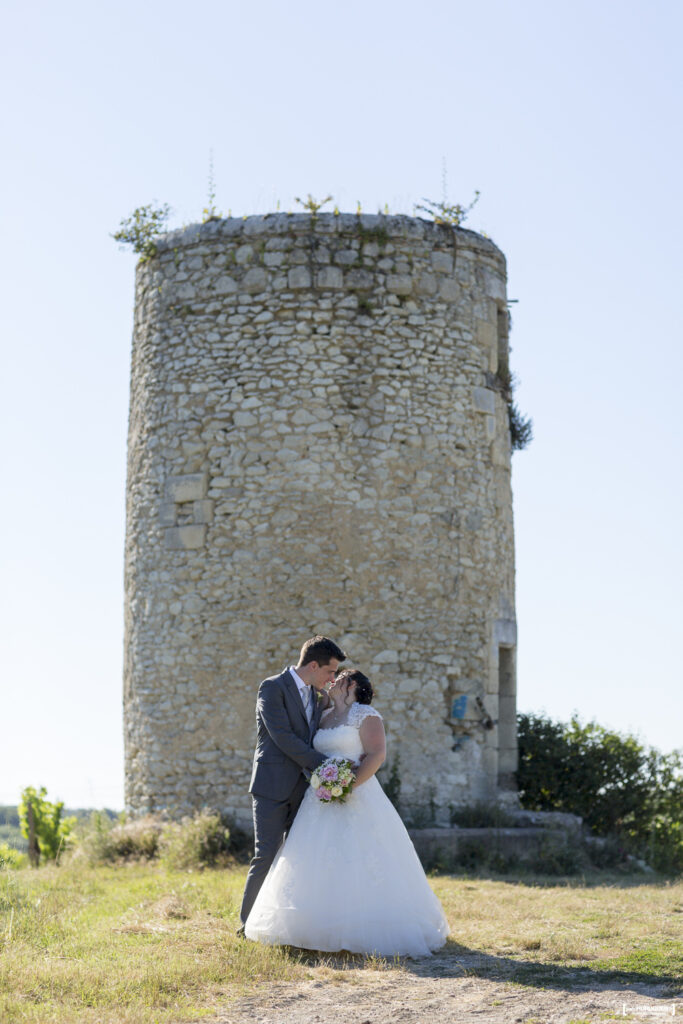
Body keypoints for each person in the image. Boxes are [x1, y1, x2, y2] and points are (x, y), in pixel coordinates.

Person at [244, 668, 450, 957]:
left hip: (358, 794)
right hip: (319, 798)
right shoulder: (323, 715)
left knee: (361, 858)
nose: (332, 680)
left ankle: (366, 929)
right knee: (312, 859)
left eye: (338, 677)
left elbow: (377, 754)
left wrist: (349, 784)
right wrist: (329, 783)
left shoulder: (365, 714)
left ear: (351, 684)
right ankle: (309, 928)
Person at [238, 635, 346, 933]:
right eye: (330, 671)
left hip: (303, 789)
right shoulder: (272, 687)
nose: (333, 678)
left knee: (298, 855)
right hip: (271, 786)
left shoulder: (316, 695)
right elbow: (283, 736)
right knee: (267, 854)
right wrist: (325, 765)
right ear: (313, 665)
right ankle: (248, 926)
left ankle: (289, 925)